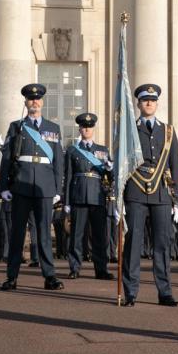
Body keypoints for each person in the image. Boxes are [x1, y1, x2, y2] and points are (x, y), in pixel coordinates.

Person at [0, 83, 65, 291]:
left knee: (45, 232)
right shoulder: (16, 126)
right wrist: (3, 186)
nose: (34, 102)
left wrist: (57, 190)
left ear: (42, 102)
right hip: (21, 184)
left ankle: (50, 276)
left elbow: (58, 162)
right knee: (18, 233)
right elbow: (7, 159)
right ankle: (12, 277)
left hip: (45, 187)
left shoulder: (53, 129)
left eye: (37, 99)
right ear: (26, 103)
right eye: (30, 99)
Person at [121, 84, 178, 307]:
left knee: (162, 244)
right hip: (136, 190)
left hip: (162, 193)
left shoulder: (168, 131)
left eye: (152, 100)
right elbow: (122, 163)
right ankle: (131, 292)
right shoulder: (129, 130)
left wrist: (175, 197)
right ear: (138, 104)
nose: (148, 103)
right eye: (145, 100)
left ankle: (164, 292)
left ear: (157, 103)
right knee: (133, 243)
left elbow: (175, 163)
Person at [64, 112, 114, 280]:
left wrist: (109, 168)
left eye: (89, 127)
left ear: (93, 129)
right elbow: (69, 176)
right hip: (78, 196)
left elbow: (111, 177)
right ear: (80, 129)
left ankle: (101, 269)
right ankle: (75, 268)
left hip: (97, 196)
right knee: (77, 235)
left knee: (99, 236)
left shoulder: (102, 150)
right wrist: (67, 201)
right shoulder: (72, 150)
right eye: (84, 127)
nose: (86, 129)